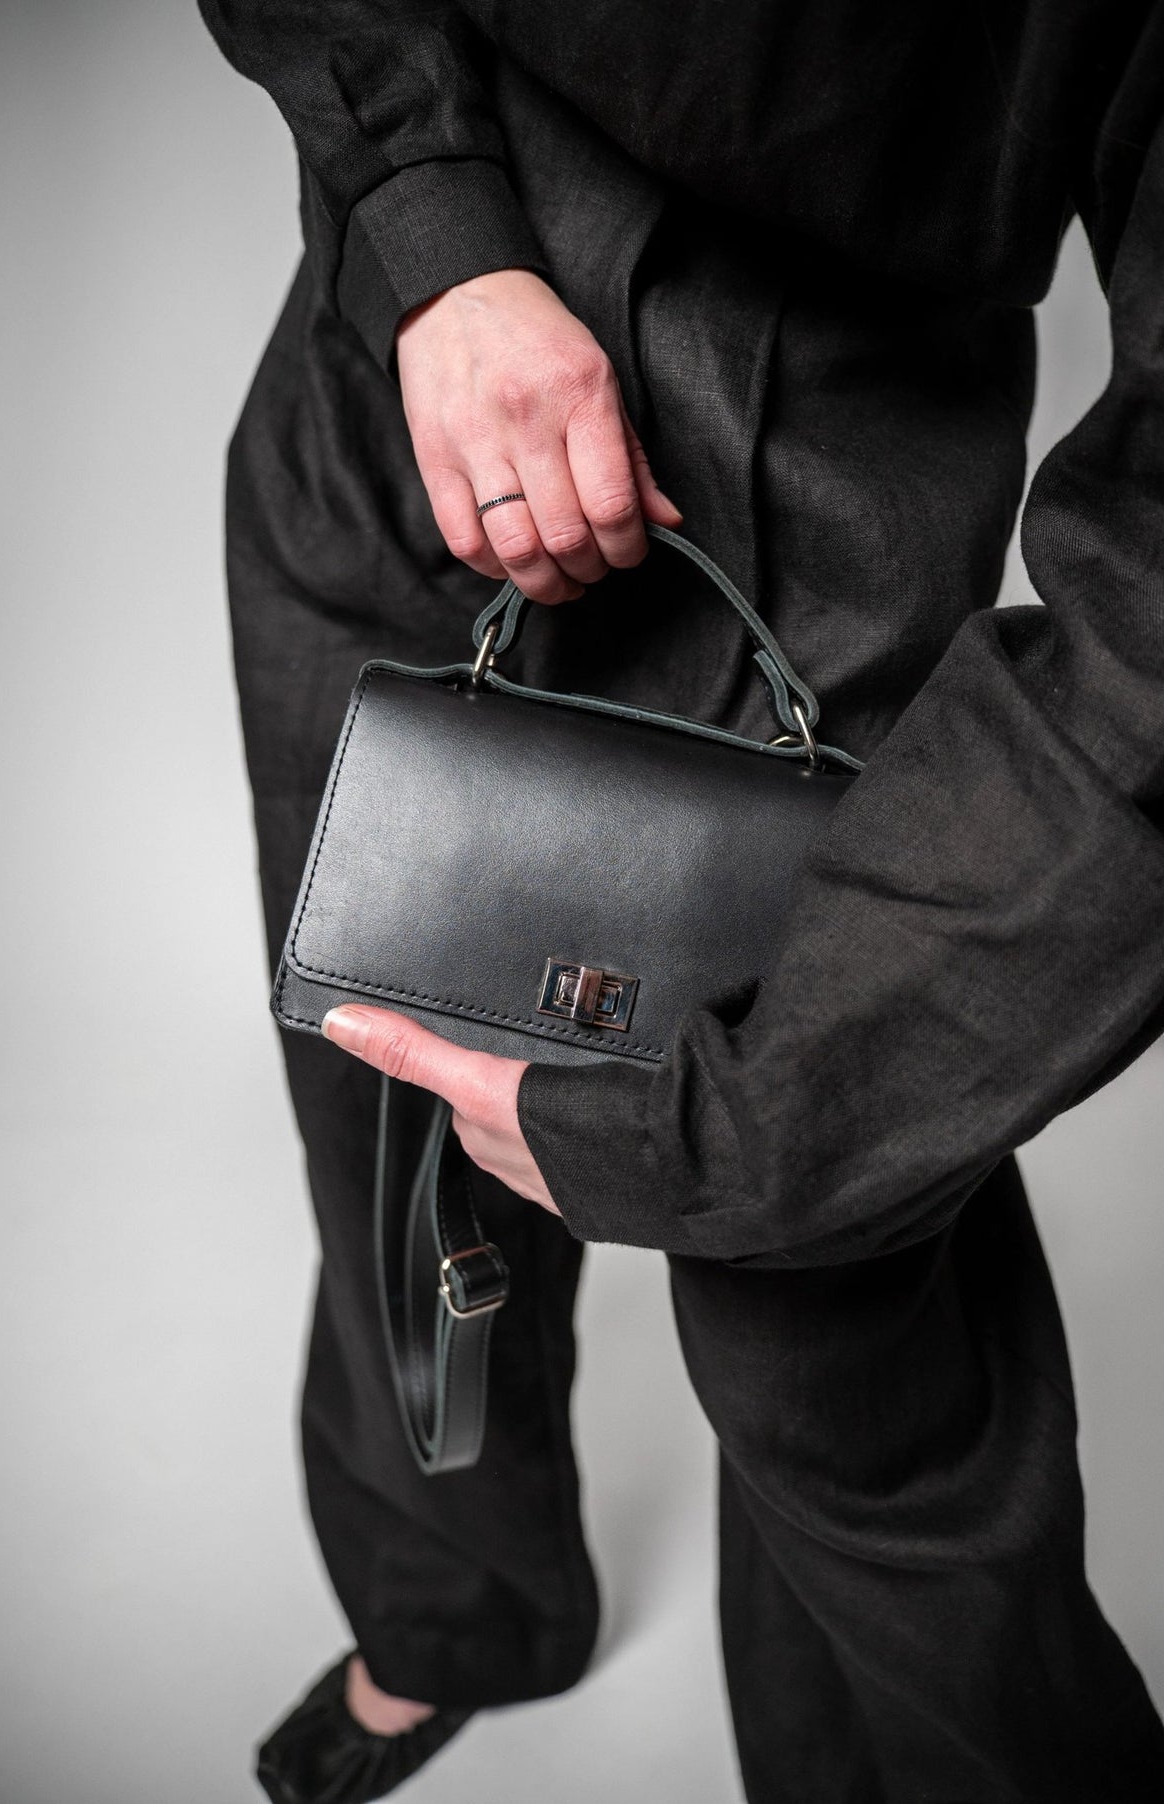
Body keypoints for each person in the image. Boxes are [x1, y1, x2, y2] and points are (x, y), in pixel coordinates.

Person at [199, 3, 1164, 1799]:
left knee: (835, 1306)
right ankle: (458, 1613)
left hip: (837, 476)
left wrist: (751, 1125)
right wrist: (435, 231)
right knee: (384, 1102)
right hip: (414, 377)